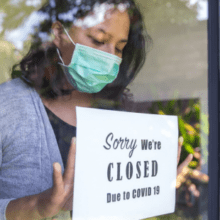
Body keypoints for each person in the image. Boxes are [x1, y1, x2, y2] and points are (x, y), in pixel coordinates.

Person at [0, 0, 193, 219]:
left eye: (119, 48)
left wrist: (150, 192)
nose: (110, 56)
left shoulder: (119, 115)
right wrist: (35, 207)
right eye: (98, 39)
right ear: (58, 33)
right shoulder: (6, 106)